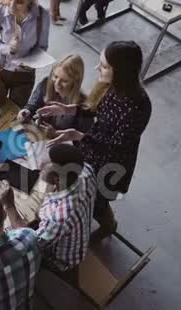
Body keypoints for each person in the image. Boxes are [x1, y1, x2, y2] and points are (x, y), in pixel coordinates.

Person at [38, 41, 152, 242]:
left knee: (99, 201)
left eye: (105, 66)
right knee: (85, 189)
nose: (97, 68)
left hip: (112, 162)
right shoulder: (108, 87)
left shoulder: (138, 106)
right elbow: (92, 109)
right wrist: (66, 109)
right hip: (92, 148)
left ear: (121, 71)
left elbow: (116, 145)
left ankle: (109, 226)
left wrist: (79, 136)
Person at [4, 144, 96, 286]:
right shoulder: (86, 171)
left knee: (8, 252)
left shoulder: (58, 217)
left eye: (43, 166)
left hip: (61, 260)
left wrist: (9, 205)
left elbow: (27, 244)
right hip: (76, 233)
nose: (39, 165)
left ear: (57, 180)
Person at [0, 0, 50, 107]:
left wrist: (31, 61)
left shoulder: (42, 15)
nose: (12, 5)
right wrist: (8, 48)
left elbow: (42, 47)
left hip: (25, 73)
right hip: (1, 68)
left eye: (19, 2)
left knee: (15, 109)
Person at [18, 54, 93, 135]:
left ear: (75, 82)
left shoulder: (84, 107)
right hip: (38, 135)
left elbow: (83, 139)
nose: (57, 83)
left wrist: (56, 133)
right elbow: (33, 105)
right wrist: (26, 111)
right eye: (55, 76)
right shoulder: (46, 83)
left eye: (64, 81)